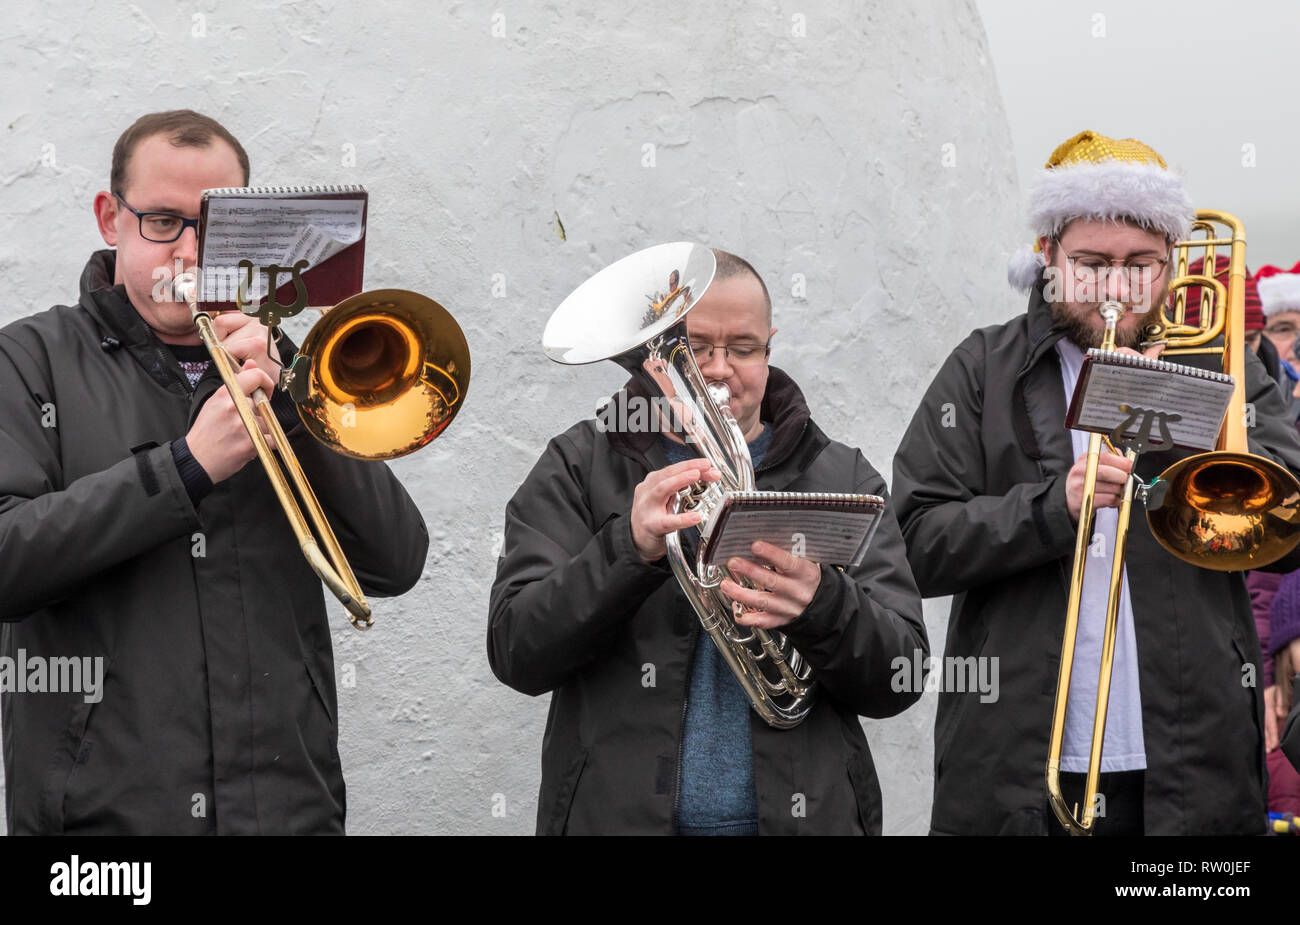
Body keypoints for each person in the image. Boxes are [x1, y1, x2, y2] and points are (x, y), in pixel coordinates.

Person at [0, 110, 429, 834]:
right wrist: (185, 468)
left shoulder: (285, 365)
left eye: (217, 226)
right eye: (163, 221)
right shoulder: (29, 360)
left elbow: (396, 559)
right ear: (111, 218)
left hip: (288, 810)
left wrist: (297, 404)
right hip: (103, 826)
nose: (192, 251)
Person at [892, 130, 1300, 835]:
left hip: (1192, 759)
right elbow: (913, 541)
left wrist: (1199, 439)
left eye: (1140, 264)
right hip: (1019, 761)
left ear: (1172, 265)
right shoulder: (982, 369)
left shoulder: (1224, 363)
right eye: (1092, 264)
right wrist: (1054, 508)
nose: (1116, 286)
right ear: (1047, 257)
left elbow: (1286, 525)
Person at [488, 249, 927, 835]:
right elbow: (517, 648)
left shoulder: (840, 477)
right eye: (694, 348)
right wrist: (628, 548)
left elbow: (901, 672)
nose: (718, 370)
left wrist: (822, 604)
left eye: (743, 348)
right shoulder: (577, 465)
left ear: (769, 350)